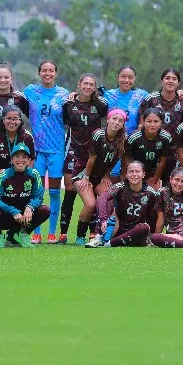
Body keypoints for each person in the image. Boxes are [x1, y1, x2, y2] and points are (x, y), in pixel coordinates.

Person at [23, 60, 69, 244]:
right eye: (44, 70)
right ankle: (36, 231)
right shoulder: (30, 91)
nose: (47, 73)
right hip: (37, 150)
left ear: (56, 73)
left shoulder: (64, 94)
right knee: (38, 192)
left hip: (57, 149)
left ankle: (52, 232)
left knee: (56, 192)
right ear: (39, 73)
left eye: (51, 71)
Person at [59, 73, 108, 243]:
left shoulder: (100, 105)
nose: (88, 87)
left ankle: (91, 232)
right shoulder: (68, 103)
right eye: (85, 83)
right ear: (79, 84)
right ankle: (63, 232)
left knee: (92, 191)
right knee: (70, 190)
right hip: (73, 151)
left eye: (91, 84)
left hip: (93, 154)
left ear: (94, 87)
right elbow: (63, 122)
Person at [70, 109, 127, 245]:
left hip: (100, 176)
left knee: (108, 200)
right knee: (91, 204)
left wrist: (107, 175)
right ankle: (80, 235)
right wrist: (86, 177)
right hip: (83, 173)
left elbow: (114, 160)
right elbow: (91, 159)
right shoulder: (99, 134)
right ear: (107, 119)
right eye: (114, 119)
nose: (116, 122)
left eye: (120, 121)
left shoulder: (122, 138)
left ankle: (100, 234)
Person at [0, 143, 51, 248]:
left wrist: (30, 207)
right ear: (12, 160)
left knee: (45, 210)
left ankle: (24, 234)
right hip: (7, 214)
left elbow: (38, 197)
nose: (20, 160)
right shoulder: (3, 175)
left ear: (29, 160)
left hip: (25, 216)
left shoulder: (34, 174)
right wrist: (12, 211)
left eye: (24, 157)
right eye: (17, 156)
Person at [85, 161, 158, 248]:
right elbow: (102, 199)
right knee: (107, 203)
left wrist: (152, 234)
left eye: (137, 171)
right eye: (131, 171)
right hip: (119, 230)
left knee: (144, 227)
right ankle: (99, 237)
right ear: (126, 174)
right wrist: (104, 219)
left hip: (137, 233)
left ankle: (109, 243)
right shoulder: (119, 187)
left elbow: (154, 215)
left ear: (143, 174)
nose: (134, 174)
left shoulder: (150, 193)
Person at [103, 65, 151, 179]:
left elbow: (150, 112)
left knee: (130, 175)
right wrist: (75, 95)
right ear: (118, 78)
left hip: (133, 143)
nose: (126, 80)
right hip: (113, 142)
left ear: (134, 79)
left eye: (130, 77)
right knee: (113, 175)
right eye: (123, 77)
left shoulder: (142, 95)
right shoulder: (108, 95)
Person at [0, 106, 35, 183]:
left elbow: (31, 159)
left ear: (20, 121)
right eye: (9, 118)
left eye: (15, 119)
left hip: (18, 175)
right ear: (3, 120)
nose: (12, 122)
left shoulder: (27, 136)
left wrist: (26, 175)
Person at [124, 107, 174, 190]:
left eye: (156, 121)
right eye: (149, 121)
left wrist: (155, 180)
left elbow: (162, 160)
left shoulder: (166, 138)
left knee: (153, 195)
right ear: (143, 122)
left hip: (152, 172)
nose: (152, 124)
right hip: (135, 171)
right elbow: (126, 158)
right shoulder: (134, 137)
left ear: (161, 122)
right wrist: (125, 176)